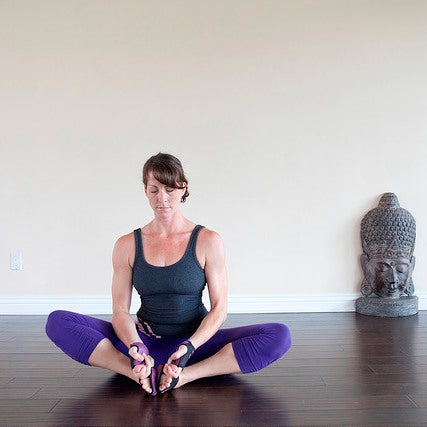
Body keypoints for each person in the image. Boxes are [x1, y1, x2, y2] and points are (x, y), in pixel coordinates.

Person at [45, 153, 292, 396]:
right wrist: (135, 345)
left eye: (169, 189)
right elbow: (120, 311)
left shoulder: (208, 241)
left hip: (194, 345)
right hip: (145, 342)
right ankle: (136, 371)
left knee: (279, 335)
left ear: (183, 188)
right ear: (145, 191)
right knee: (57, 321)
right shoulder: (127, 244)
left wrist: (189, 346)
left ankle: (185, 375)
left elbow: (219, 309)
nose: (161, 198)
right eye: (154, 190)